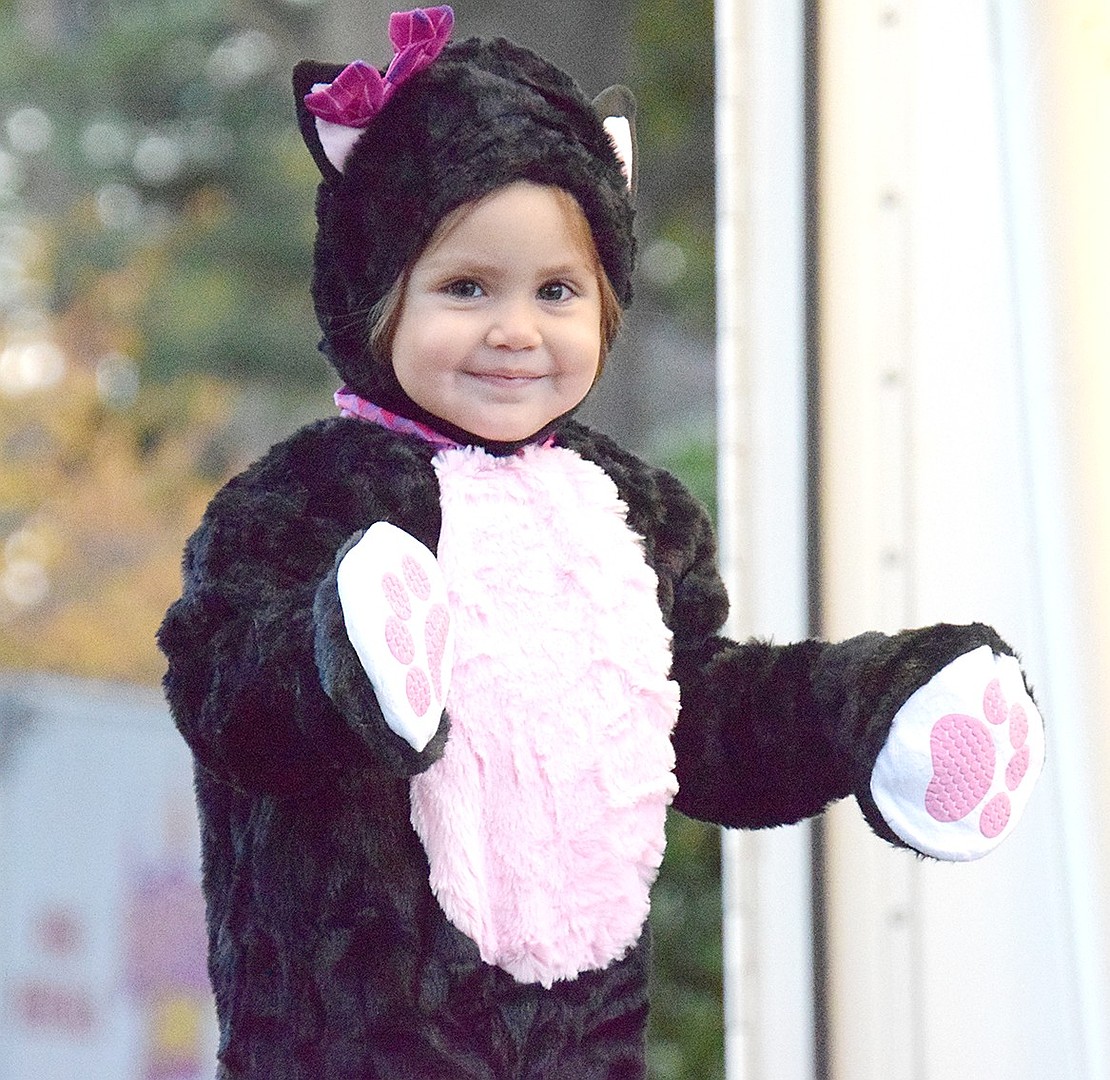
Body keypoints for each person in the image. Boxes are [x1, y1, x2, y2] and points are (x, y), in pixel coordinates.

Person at [158, 7, 1044, 1078]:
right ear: (375, 294)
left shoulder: (635, 514)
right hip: (358, 1041)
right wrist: (334, 660)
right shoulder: (306, 498)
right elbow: (225, 695)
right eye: (466, 287)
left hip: (585, 1046)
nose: (516, 330)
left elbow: (702, 720)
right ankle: (376, 648)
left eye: (557, 291)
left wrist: (866, 709)